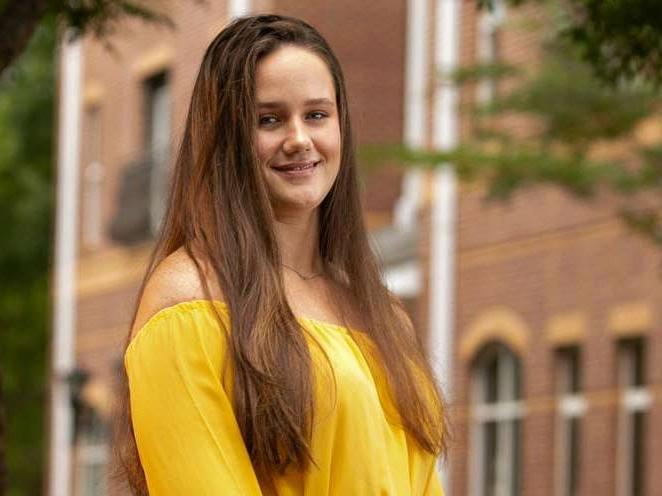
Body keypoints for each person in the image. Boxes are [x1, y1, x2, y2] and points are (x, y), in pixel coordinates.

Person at [113, 14, 448, 496]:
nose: (299, 139)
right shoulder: (189, 303)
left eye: (317, 115)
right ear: (227, 140)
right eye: (269, 119)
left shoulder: (386, 316)